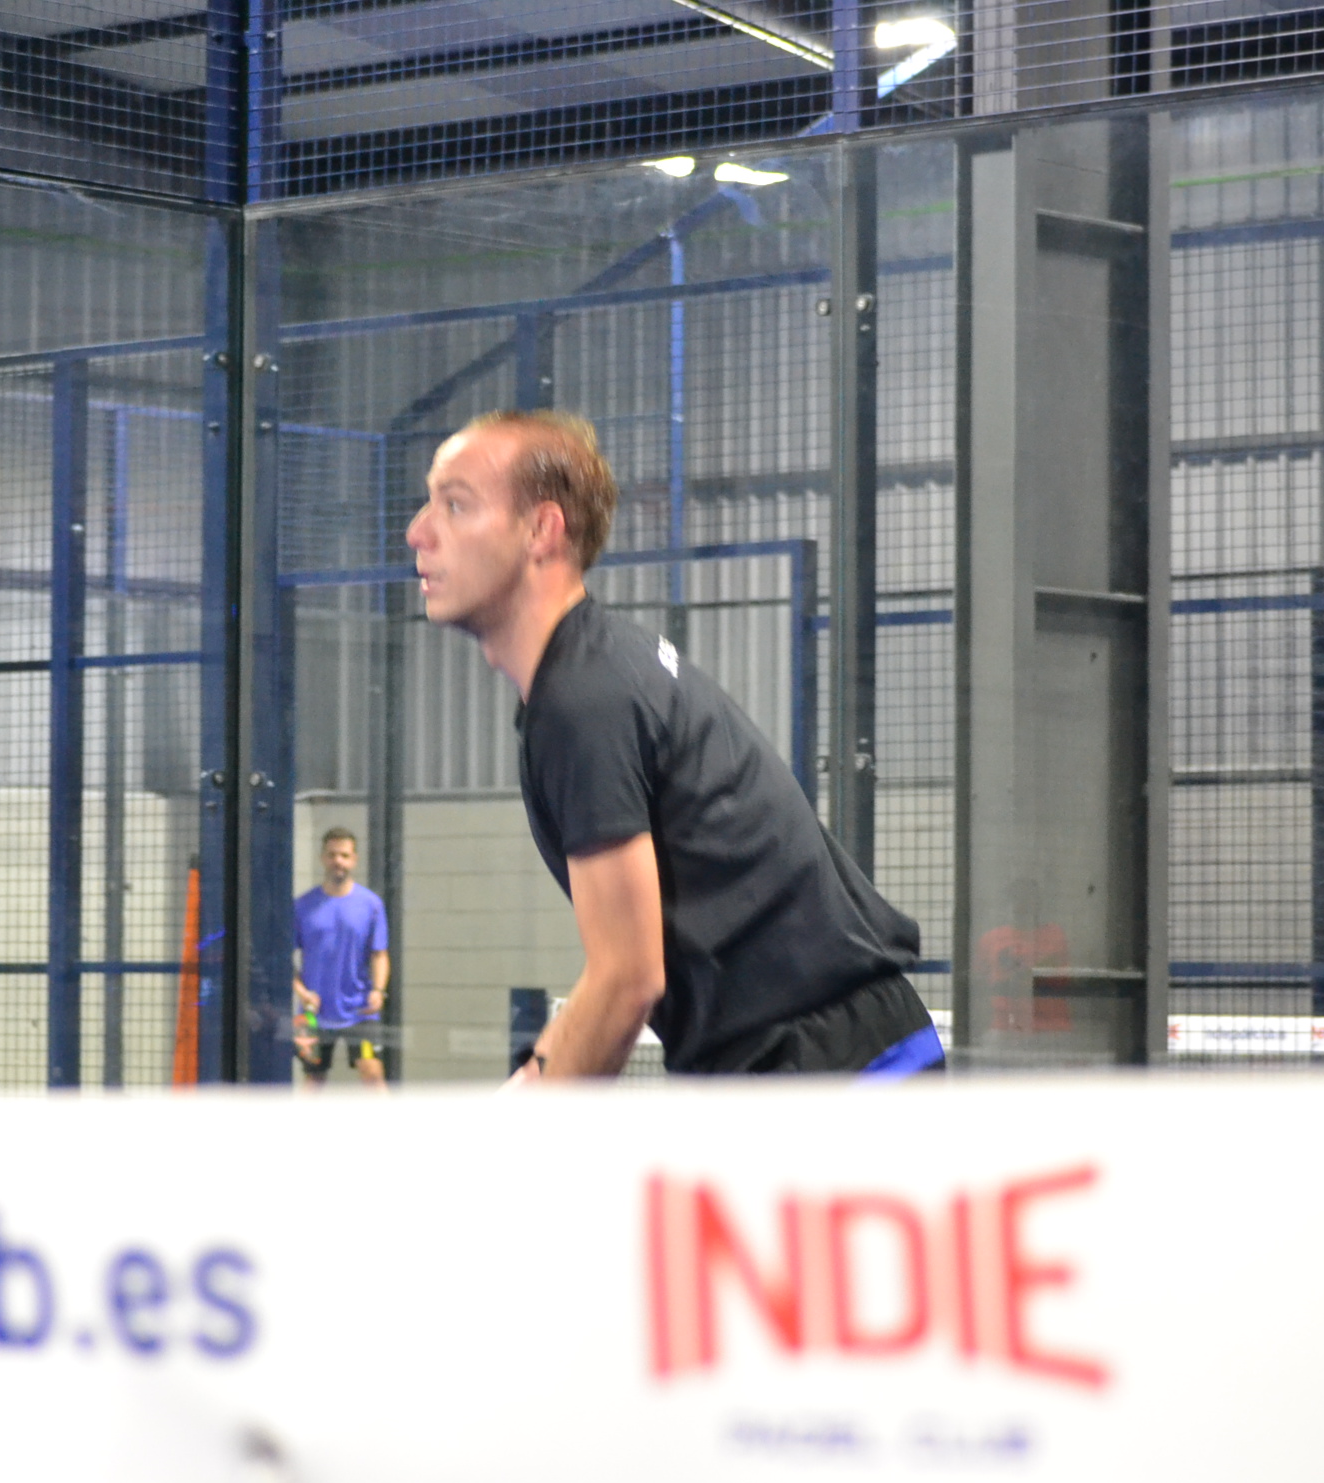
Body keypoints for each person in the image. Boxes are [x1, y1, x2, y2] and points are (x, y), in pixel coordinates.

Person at [403, 409, 941, 1083]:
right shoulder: (592, 674)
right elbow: (621, 968)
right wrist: (537, 1077)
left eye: (455, 505)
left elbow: (627, 980)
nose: (418, 531)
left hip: (837, 1073)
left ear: (542, 530)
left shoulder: (582, 699)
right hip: (816, 1061)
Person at [292, 827, 392, 1090]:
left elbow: (380, 954)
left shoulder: (371, 905)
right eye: (332, 854)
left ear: (354, 860)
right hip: (313, 1015)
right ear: (323, 858)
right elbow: (283, 961)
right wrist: (303, 994)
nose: (338, 861)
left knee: (372, 1073)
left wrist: (378, 991)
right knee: (313, 1080)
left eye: (344, 855)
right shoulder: (302, 906)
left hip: (361, 1012)